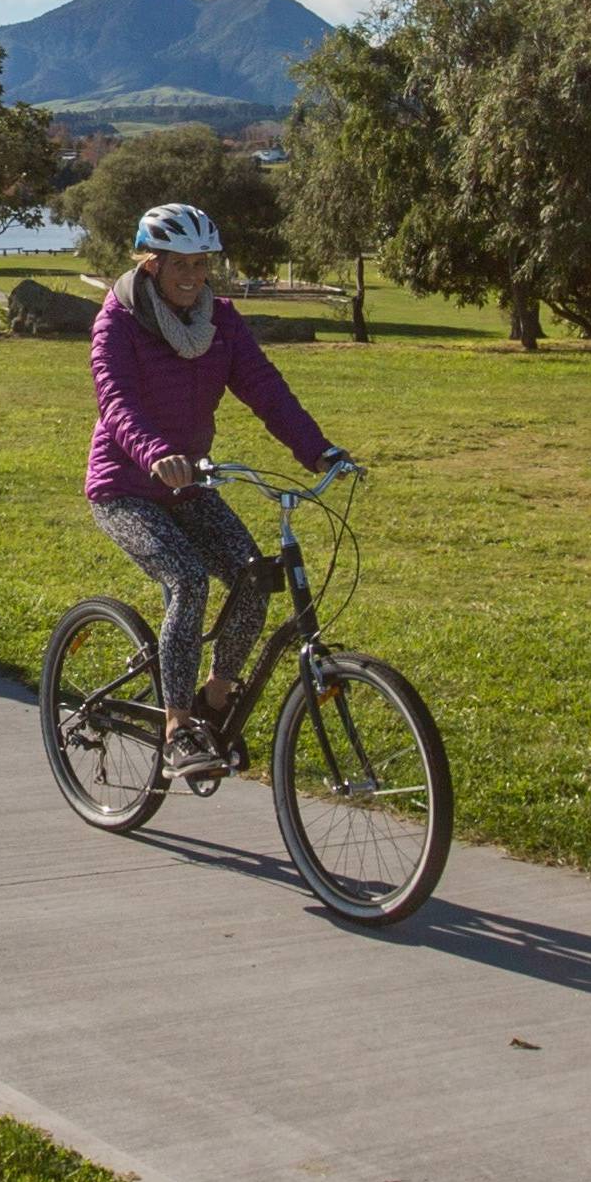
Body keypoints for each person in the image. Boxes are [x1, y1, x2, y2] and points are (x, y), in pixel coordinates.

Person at [85, 200, 349, 779]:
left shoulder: (220, 321)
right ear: (150, 264)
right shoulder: (118, 321)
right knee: (187, 578)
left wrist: (318, 451)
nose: (192, 276)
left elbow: (266, 390)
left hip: (190, 482)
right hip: (125, 484)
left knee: (254, 576)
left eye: (201, 263)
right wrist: (157, 455)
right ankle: (177, 726)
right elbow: (117, 403)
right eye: (179, 263)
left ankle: (216, 697)